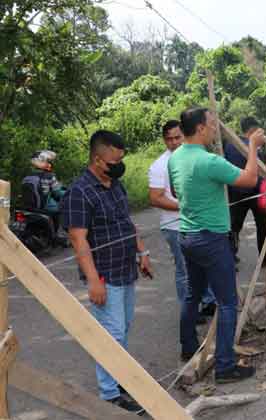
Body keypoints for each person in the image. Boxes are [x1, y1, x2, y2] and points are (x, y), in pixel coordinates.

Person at [168, 107, 265, 383]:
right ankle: (224, 366)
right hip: (211, 238)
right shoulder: (208, 161)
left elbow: (176, 192)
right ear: (199, 128)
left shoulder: (175, 158)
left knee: (192, 294)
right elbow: (250, 180)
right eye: (212, 124)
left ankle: (188, 347)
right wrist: (253, 148)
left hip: (187, 236)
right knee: (227, 302)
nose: (215, 129)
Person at [61, 130, 153, 412]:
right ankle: (110, 395)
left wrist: (142, 252)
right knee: (110, 335)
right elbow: (78, 239)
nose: (119, 165)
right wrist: (93, 281)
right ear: (98, 160)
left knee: (122, 329)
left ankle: (120, 378)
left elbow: (127, 221)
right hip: (104, 274)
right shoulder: (80, 192)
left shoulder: (115, 185)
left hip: (125, 268)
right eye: (114, 161)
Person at [148, 120, 216, 320]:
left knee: (204, 264)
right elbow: (156, 198)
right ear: (164, 141)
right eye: (169, 139)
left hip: (201, 223)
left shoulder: (198, 156)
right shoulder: (160, 165)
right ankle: (190, 310)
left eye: (177, 137)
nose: (174, 142)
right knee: (185, 269)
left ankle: (208, 300)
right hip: (176, 226)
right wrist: (187, 206)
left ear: (185, 135)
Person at [224, 117, 266, 264]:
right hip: (255, 191)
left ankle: (230, 257)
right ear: (253, 131)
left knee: (233, 227)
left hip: (235, 192)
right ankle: (265, 258)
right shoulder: (255, 147)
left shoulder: (230, 145)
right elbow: (263, 166)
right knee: (263, 226)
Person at [22, 150, 66, 234]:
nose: (50, 164)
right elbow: (57, 192)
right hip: (44, 206)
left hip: (28, 206)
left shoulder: (27, 176)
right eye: (48, 161)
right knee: (60, 209)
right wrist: (67, 193)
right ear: (43, 161)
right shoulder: (49, 176)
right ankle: (57, 233)